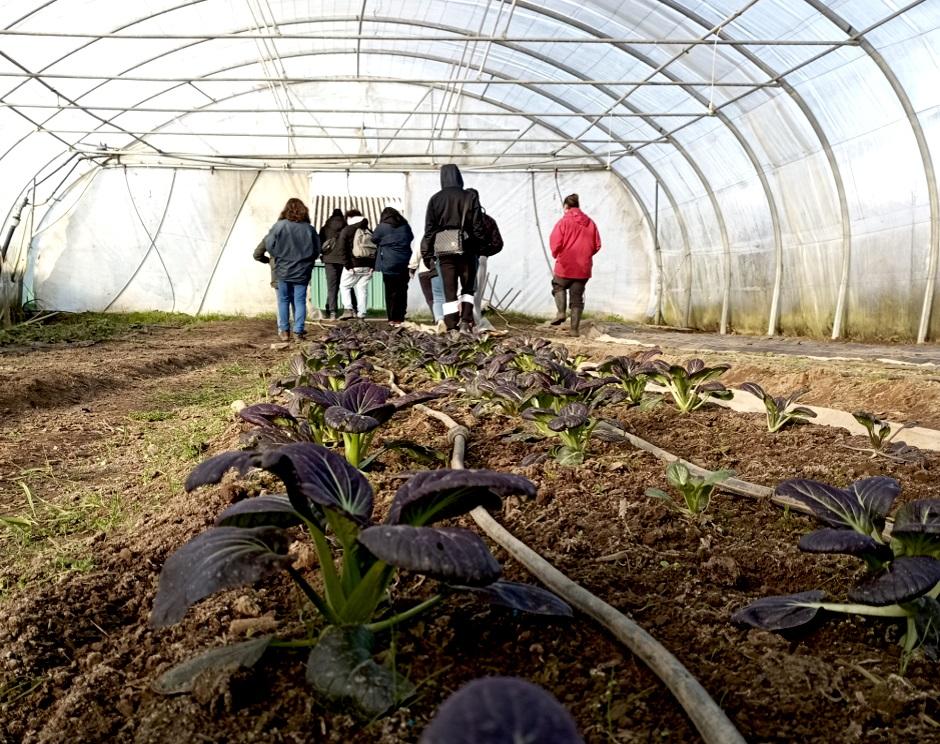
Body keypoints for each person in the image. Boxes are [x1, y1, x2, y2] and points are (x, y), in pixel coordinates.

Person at [421, 164, 485, 332]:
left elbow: (429, 230)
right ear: (459, 177)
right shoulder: (470, 197)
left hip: (444, 250)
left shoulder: (435, 199)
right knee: (468, 287)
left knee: (449, 289)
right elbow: (478, 226)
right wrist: (478, 246)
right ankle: (465, 321)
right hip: (468, 248)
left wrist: (427, 254)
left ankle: (450, 325)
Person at [263, 197, 320, 341]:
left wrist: (278, 256)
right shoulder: (309, 229)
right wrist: (307, 260)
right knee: (300, 301)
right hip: (302, 270)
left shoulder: (279, 226)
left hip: (283, 269)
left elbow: (269, 245)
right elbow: (317, 250)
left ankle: (284, 332)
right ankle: (298, 331)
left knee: (283, 300)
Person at [548, 193, 601, 337]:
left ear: (566, 206)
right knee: (577, 297)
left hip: (565, 264)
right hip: (583, 267)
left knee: (558, 285)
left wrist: (557, 254)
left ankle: (561, 313)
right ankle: (574, 330)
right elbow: (597, 245)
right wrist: (586, 256)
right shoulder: (590, 222)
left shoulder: (563, 222)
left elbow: (555, 242)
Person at [372, 206, 414, 325]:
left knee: (390, 291)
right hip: (405, 261)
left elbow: (374, 239)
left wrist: (385, 241)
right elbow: (411, 238)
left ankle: (392, 318)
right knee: (402, 290)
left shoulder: (382, 227)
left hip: (389, 262)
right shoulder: (405, 226)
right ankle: (400, 317)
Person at [338, 209, 374, 320]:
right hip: (368, 267)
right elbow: (375, 248)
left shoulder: (347, 230)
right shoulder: (368, 230)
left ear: (349, 218)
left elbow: (342, 249)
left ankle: (348, 309)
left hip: (354, 265)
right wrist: (373, 266)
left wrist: (348, 266)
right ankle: (362, 313)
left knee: (344, 286)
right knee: (362, 289)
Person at [318, 207, 346, 320]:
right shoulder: (346, 228)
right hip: (343, 260)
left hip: (329, 260)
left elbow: (320, 244)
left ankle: (332, 311)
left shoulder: (325, 228)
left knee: (332, 286)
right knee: (345, 286)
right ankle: (352, 308)